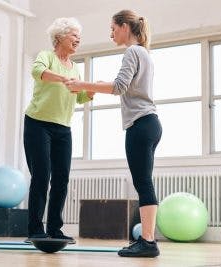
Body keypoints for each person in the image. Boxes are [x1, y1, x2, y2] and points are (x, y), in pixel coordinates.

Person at [65, 10, 162, 257]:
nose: (111, 34)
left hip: (140, 124)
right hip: (149, 123)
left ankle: (148, 242)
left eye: (113, 29)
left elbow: (119, 87)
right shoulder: (144, 53)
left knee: (143, 183)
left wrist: (83, 85)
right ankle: (148, 240)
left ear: (125, 27)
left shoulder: (132, 51)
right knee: (144, 182)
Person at [24, 17, 94, 241]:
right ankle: (35, 229)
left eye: (78, 36)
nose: (78, 39)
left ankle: (55, 228)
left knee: (61, 179)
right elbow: (38, 72)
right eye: (74, 35)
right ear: (60, 37)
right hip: (38, 124)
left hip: (63, 129)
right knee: (41, 176)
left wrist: (90, 92)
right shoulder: (47, 56)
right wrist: (64, 79)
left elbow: (79, 96)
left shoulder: (76, 68)